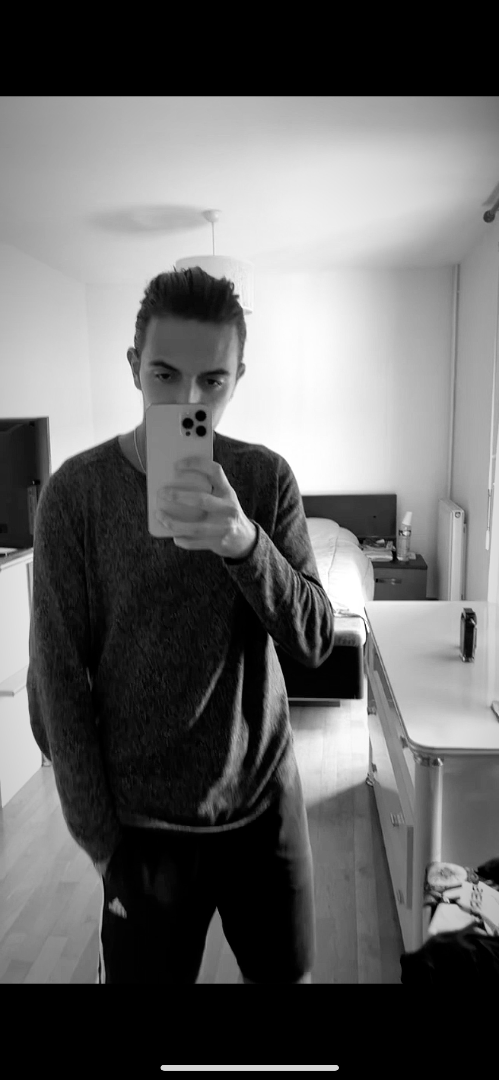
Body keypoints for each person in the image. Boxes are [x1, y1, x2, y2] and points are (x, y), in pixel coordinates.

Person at [27, 267, 335, 984]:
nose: (188, 401)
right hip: (141, 832)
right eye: (165, 375)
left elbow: (317, 639)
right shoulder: (75, 495)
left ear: (238, 379)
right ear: (134, 365)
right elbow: (57, 681)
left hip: (263, 806)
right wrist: (102, 845)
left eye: (212, 381)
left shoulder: (264, 480)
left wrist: (246, 545)